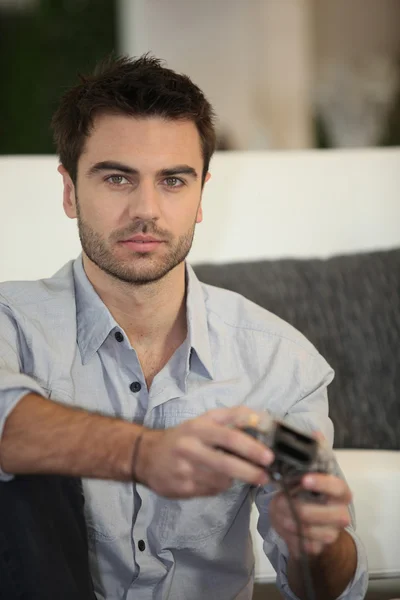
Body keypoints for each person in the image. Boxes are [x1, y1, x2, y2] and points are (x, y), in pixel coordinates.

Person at [0, 55, 368, 600]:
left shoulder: (277, 364)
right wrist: (145, 455)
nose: (146, 209)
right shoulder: (13, 323)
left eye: (173, 181)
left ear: (201, 196)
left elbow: (324, 589)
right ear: (70, 191)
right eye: (118, 177)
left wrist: (319, 542)